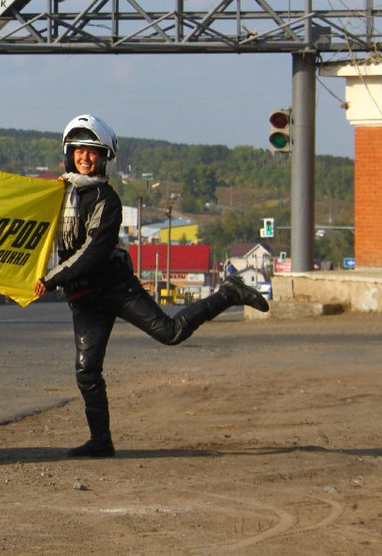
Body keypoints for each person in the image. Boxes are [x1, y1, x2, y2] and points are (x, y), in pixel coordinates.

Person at [33, 114, 270, 458]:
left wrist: (50, 280)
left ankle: (229, 292)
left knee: (170, 332)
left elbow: (94, 252)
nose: (85, 157)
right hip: (83, 297)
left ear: (105, 157)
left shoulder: (106, 199)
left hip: (116, 287)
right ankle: (101, 441)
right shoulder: (57, 193)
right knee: (86, 370)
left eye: (93, 151)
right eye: (79, 150)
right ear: (69, 153)